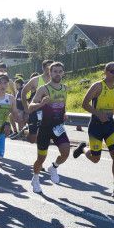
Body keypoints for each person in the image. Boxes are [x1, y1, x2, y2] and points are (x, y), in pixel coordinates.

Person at [74, 62, 114, 199]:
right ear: (105, 72)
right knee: (95, 159)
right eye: (112, 71)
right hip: (96, 126)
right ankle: (83, 149)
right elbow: (84, 104)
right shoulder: (98, 86)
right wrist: (98, 113)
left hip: (109, 125)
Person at [26, 61, 72, 194]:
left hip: (58, 127)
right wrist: (41, 104)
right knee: (41, 158)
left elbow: (62, 105)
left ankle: (53, 167)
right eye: (55, 71)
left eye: (60, 71)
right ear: (50, 73)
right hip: (45, 128)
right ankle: (35, 179)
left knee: (66, 152)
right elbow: (30, 107)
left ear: (63, 73)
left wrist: (64, 114)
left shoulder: (64, 88)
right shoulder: (43, 89)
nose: (57, 74)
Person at [19, 60, 53, 142]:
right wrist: (26, 109)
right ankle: (25, 132)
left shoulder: (55, 81)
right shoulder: (36, 80)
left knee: (45, 136)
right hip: (35, 110)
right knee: (33, 139)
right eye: (48, 67)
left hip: (49, 111)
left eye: (51, 67)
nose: (50, 69)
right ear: (43, 68)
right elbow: (23, 92)